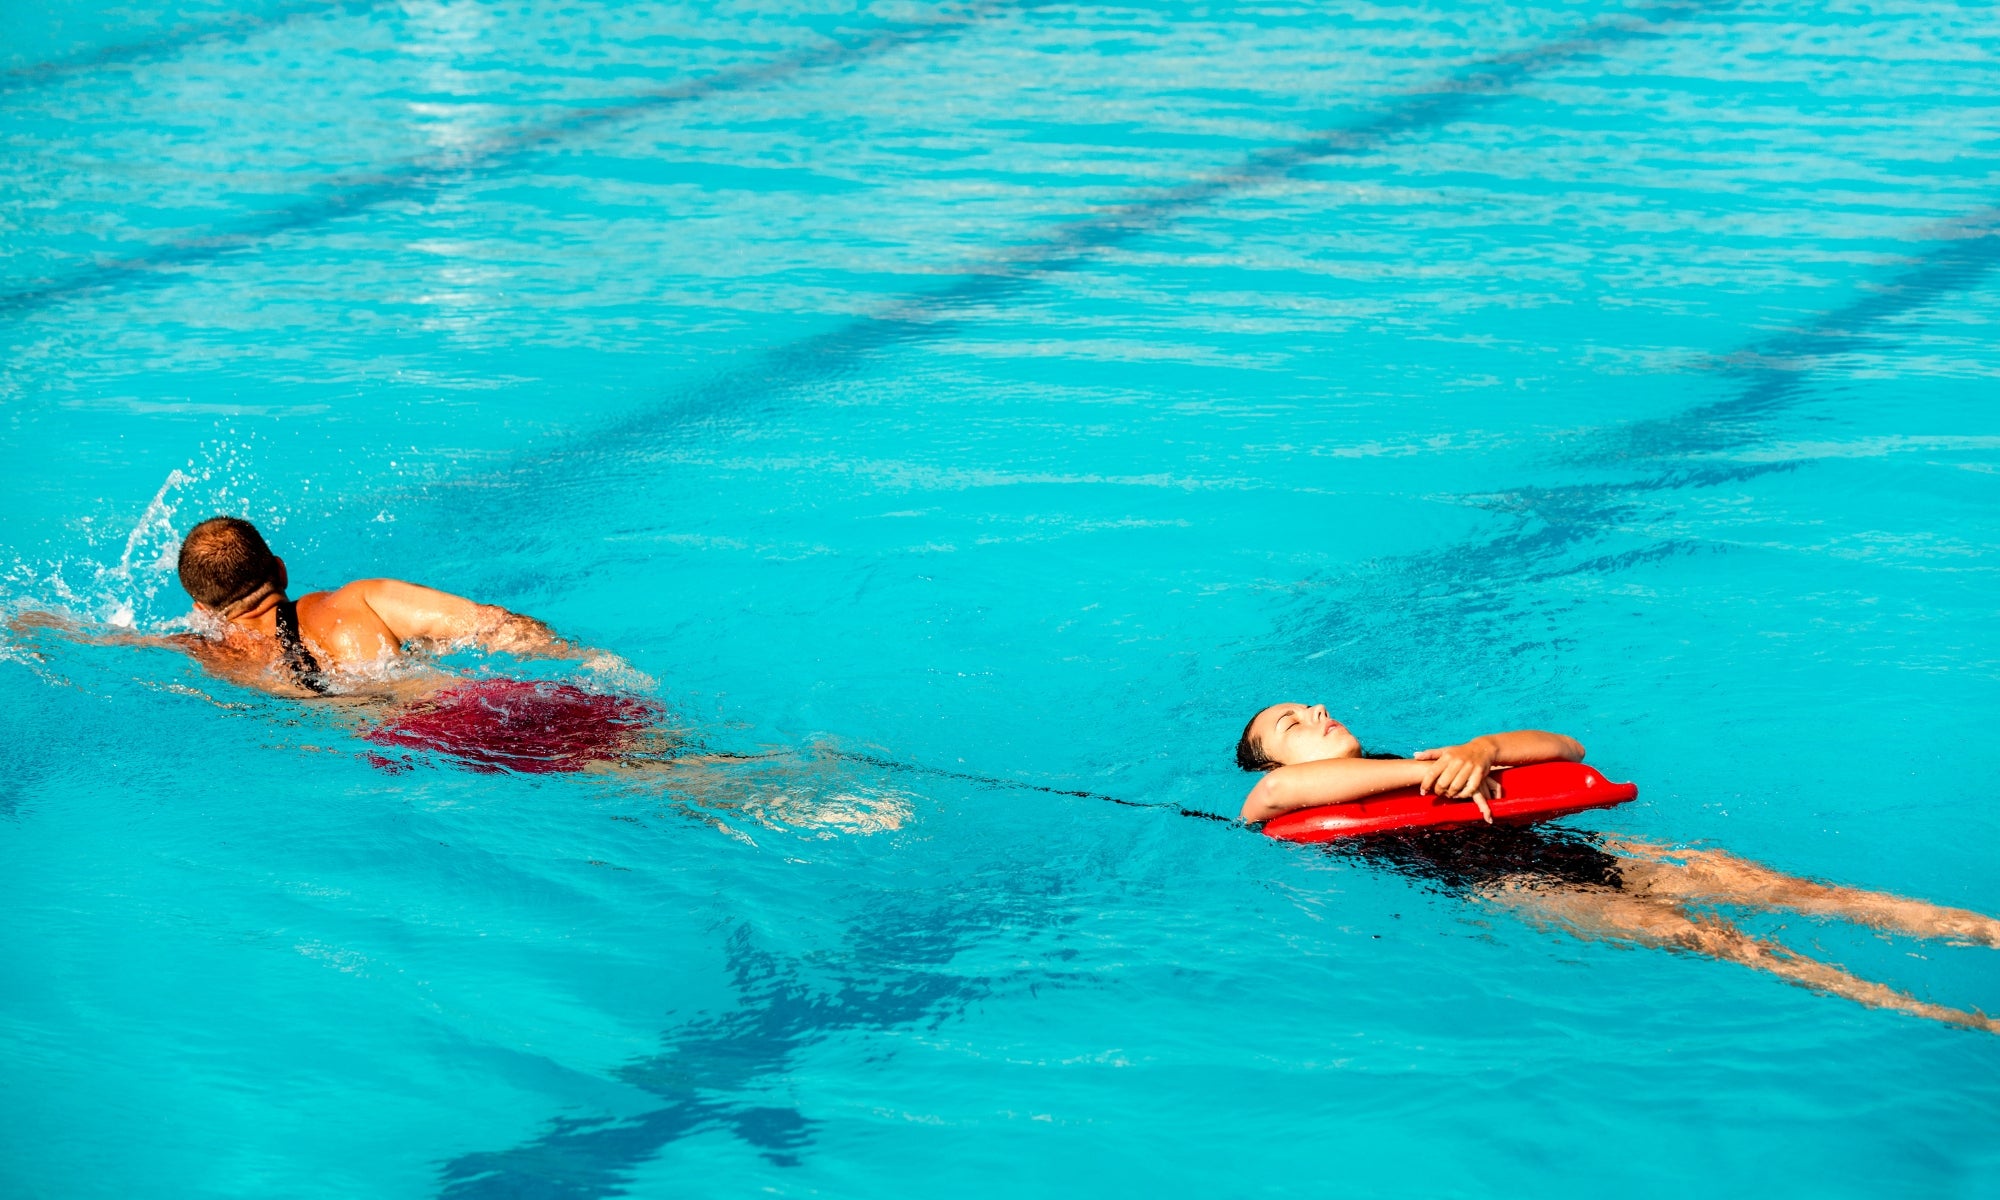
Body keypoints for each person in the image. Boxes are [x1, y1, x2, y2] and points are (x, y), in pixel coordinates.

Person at [1235, 701, 2000, 1033]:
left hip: (1585, 855)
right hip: (1518, 887)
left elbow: (1567, 749)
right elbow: (1278, 793)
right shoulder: (1282, 797)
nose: (1314, 710)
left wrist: (1480, 752)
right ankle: (1944, 1015)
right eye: (1290, 722)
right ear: (1274, 755)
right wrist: (1421, 778)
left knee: (1802, 893)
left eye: (1309, 703)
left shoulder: (1435, 759)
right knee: (1725, 941)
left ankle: (1988, 932)